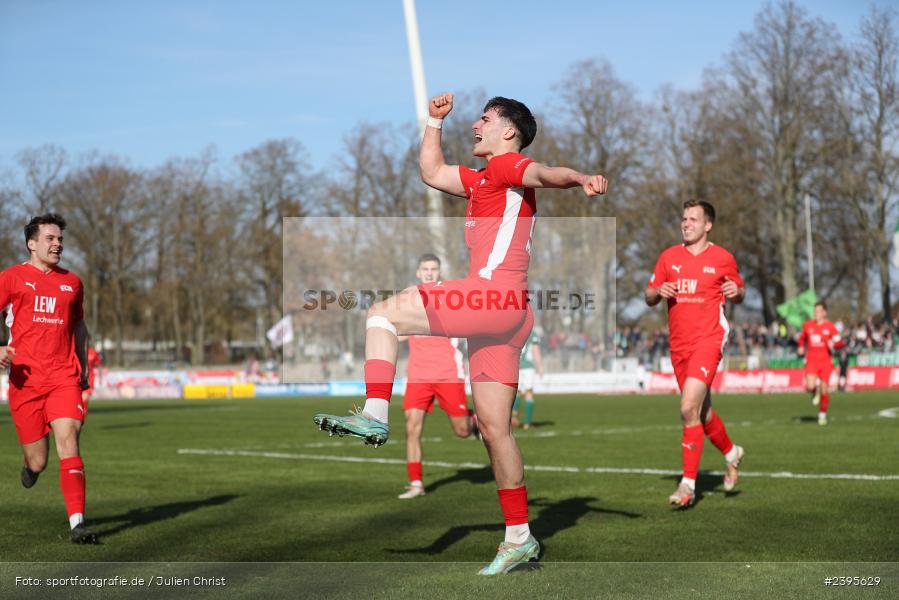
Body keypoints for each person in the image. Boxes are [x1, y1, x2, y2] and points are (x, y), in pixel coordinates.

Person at [314, 93, 607, 574]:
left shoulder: (510, 165)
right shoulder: (480, 180)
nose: (475, 124)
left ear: (508, 131)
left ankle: (373, 412)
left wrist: (579, 179)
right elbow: (431, 172)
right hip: (509, 315)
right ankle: (519, 538)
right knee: (494, 431)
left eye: (486, 119)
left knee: (382, 314)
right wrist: (434, 120)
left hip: (492, 299)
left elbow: (543, 173)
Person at [0, 213, 97, 543]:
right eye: (50, 239)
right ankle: (30, 467)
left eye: (60, 240)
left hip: (63, 377)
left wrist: (82, 367)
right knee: (39, 460)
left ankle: (77, 523)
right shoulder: (11, 278)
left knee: (69, 439)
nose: (58, 244)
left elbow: (80, 325)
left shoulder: (73, 283)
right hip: (25, 382)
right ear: (32, 244)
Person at [645, 200, 746, 508]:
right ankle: (732, 453)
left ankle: (687, 485)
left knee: (688, 407)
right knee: (702, 413)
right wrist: (657, 292)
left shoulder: (722, 258)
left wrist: (736, 293)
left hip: (709, 340)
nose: (686, 223)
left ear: (707, 225)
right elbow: (649, 295)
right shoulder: (669, 257)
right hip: (678, 345)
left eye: (693, 219)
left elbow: (740, 290)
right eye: (684, 218)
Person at [398, 253, 476, 500]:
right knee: (412, 428)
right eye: (425, 269)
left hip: (448, 373)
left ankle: (473, 419)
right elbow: (398, 334)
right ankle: (416, 483)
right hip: (418, 375)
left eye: (434, 269)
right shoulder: (407, 300)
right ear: (418, 272)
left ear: (439, 272)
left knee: (462, 431)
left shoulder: (450, 298)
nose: (430, 273)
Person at [798, 302, 842, 425]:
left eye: (819, 311)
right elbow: (802, 339)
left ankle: (822, 414)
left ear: (824, 313)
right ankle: (814, 391)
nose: (816, 313)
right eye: (815, 311)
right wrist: (801, 347)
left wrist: (834, 344)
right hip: (811, 361)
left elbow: (840, 343)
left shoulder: (830, 327)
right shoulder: (808, 325)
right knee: (810, 386)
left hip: (826, 362)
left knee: (824, 389)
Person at [511, 327, 543, 429]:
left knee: (517, 392)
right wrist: (540, 367)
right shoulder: (532, 333)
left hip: (516, 366)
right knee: (529, 393)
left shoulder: (514, 331)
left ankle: (514, 414)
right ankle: (527, 423)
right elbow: (535, 351)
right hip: (528, 367)